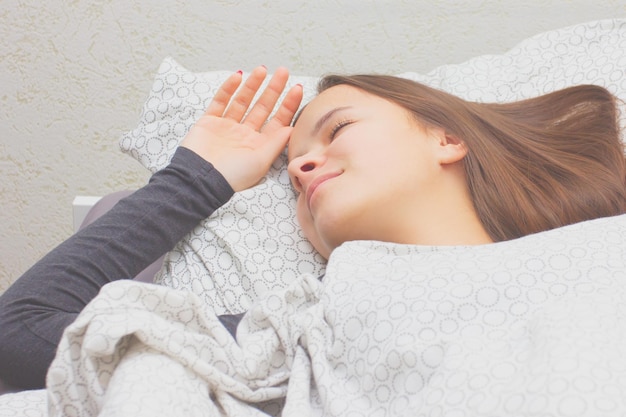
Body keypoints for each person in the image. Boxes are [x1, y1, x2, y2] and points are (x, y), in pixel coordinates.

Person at [0, 65, 624, 392]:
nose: (299, 167)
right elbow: (22, 329)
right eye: (293, 173)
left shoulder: (601, 253)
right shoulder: (318, 323)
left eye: (339, 128)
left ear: (447, 136)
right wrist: (197, 178)